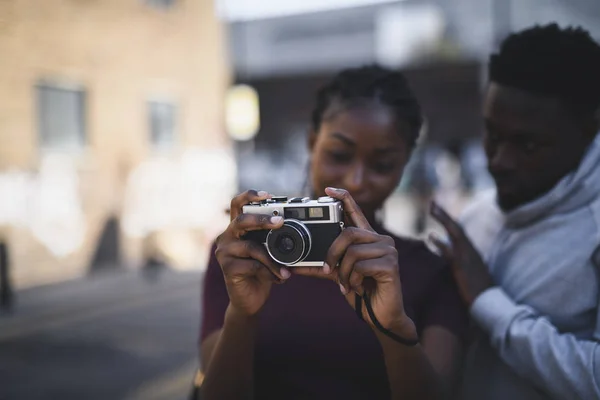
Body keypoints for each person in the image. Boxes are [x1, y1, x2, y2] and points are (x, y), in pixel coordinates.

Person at [199, 66, 468, 400]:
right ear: (313, 143)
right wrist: (241, 316)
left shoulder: (429, 271)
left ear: (404, 166)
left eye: (382, 164)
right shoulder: (244, 256)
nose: (355, 180)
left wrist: (394, 328)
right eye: (339, 155)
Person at [429, 24, 600, 400]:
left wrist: (489, 302)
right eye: (492, 134)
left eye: (528, 144)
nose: (500, 161)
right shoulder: (474, 217)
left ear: (590, 126)